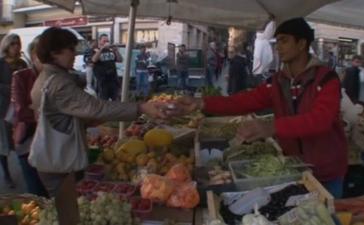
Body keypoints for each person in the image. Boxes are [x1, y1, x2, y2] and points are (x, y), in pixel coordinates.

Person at [175, 18, 347, 198]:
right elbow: (244, 101)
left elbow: (320, 120)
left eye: (284, 40)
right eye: (277, 40)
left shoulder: (326, 79)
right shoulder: (278, 81)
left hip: (326, 171)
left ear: (302, 43)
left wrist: (272, 127)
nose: (278, 46)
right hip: (292, 169)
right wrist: (202, 103)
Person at [30, 27, 172, 225]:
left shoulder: (49, 77)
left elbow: (72, 115)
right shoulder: (58, 84)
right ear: (55, 53)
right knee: (68, 215)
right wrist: (140, 107)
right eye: (71, 49)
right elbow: (95, 108)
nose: (76, 54)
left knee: (69, 211)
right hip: (58, 162)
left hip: (56, 158)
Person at [11, 36, 48, 197]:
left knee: (55, 194)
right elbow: (21, 111)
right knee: (36, 192)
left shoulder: (56, 76)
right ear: (33, 56)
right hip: (28, 142)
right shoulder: (20, 76)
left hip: (52, 144)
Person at [0, 33, 28, 188]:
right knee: (4, 143)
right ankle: (7, 174)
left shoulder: (23, 63)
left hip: (20, 109)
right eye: (12, 43)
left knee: (21, 140)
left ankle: (25, 170)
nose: (16, 46)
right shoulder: (1, 63)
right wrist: (11, 89)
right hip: (3, 109)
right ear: (6, 46)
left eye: (18, 43)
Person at [91, 34, 122, 101]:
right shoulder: (95, 50)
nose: (106, 42)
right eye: (104, 41)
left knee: (116, 100)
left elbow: (120, 60)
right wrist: (101, 48)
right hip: (102, 81)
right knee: (103, 101)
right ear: (99, 41)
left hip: (113, 80)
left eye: (107, 41)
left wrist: (116, 50)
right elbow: (94, 60)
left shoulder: (111, 51)